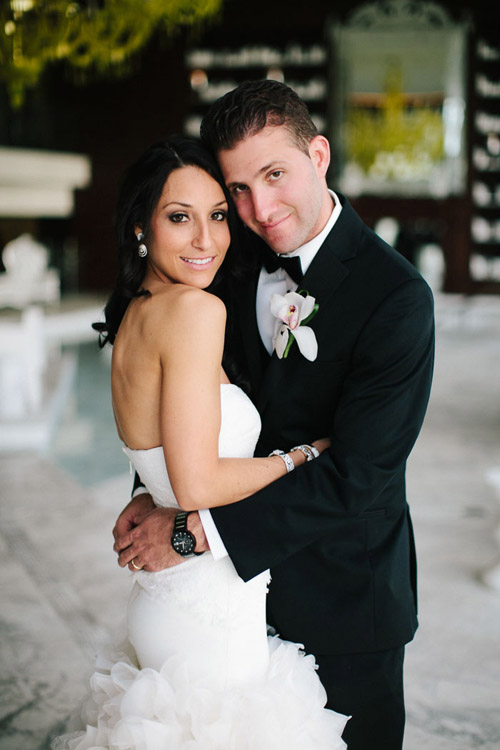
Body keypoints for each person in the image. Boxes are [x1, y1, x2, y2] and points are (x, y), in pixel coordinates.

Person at [114, 81, 435, 750]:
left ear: (318, 155)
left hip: (342, 603)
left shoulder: (396, 297)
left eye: (275, 174)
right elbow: (185, 397)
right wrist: (151, 487)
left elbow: (359, 475)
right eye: (238, 189)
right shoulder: (223, 260)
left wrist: (194, 530)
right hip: (228, 611)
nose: (259, 208)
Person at [51, 135, 348, 750]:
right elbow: (198, 485)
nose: (206, 240)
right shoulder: (194, 312)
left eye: (217, 216)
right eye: (179, 218)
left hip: (174, 601)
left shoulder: (137, 310)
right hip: (207, 614)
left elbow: (163, 461)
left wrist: (149, 490)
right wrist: (300, 457)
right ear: (141, 227)